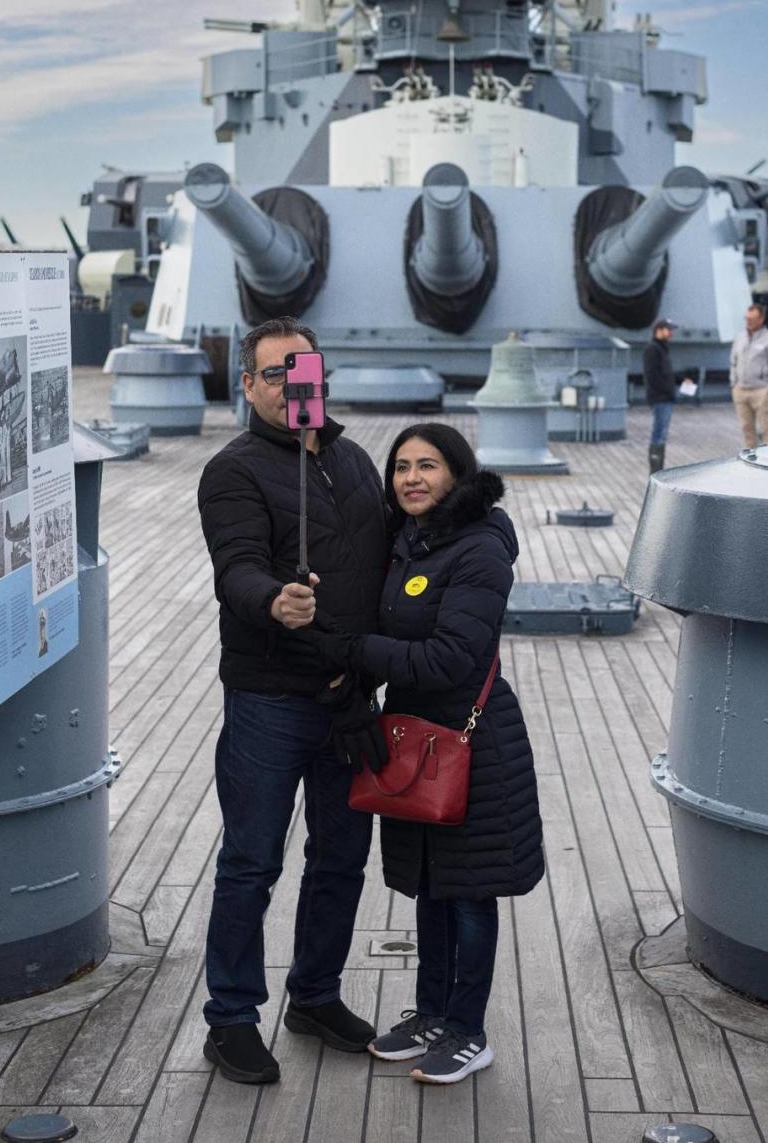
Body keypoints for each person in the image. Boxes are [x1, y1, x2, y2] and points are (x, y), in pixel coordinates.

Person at [307, 423, 544, 1085]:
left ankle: (468, 1027)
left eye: (428, 465)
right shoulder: (410, 542)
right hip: (415, 738)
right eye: (402, 466)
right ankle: (433, 1011)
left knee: (469, 892)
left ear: (456, 474)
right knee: (432, 886)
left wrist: (355, 651)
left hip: (470, 740)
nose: (412, 477)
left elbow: (451, 657)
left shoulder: (479, 548)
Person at [197, 317, 390, 1085]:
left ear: (322, 377)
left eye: (301, 370)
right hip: (272, 699)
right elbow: (236, 566)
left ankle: (314, 993)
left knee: (342, 858)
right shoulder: (233, 469)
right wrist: (274, 601)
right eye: (273, 373)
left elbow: (392, 557)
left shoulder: (354, 460)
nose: (288, 384)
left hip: (351, 699)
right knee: (251, 861)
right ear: (248, 386)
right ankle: (232, 1017)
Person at [730, 301, 768, 449]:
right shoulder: (740, 337)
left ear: (761, 319)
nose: (748, 321)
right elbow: (733, 361)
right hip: (741, 390)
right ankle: (751, 461)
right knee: (746, 429)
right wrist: (733, 383)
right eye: (746, 318)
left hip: (761, 391)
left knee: (765, 430)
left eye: (752, 319)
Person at [642, 319, 678, 473]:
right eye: (668, 329)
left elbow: (666, 373)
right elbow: (653, 375)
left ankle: (658, 470)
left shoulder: (662, 348)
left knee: (661, 434)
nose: (671, 333)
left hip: (665, 398)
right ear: (658, 330)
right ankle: (655, 471)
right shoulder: (653, 349)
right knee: (658, 434)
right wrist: (666, 391)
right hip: (661, 398)